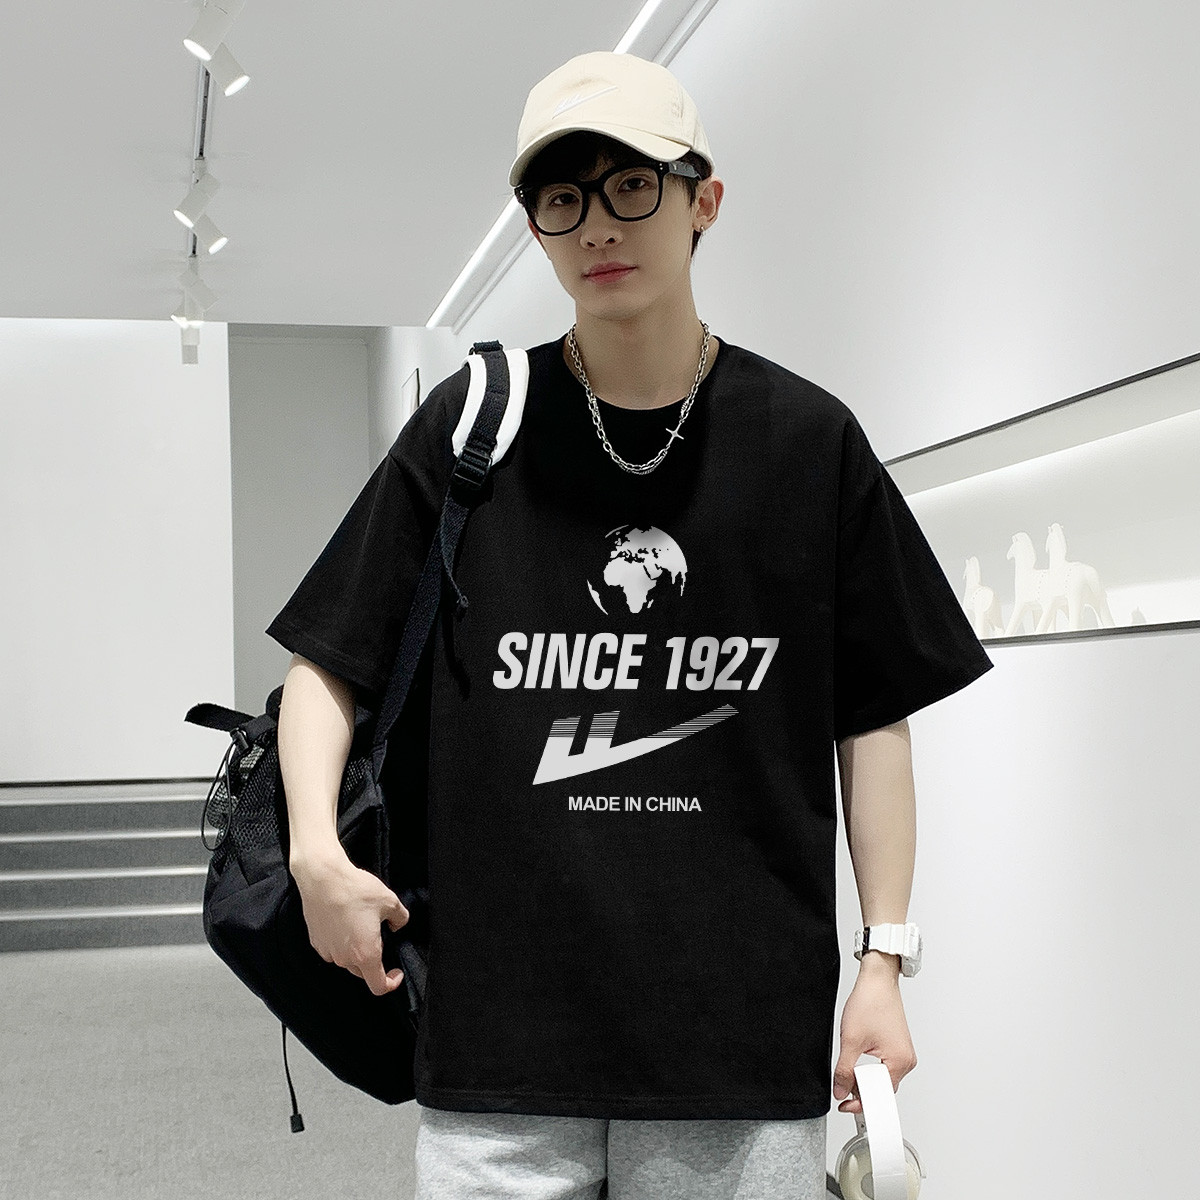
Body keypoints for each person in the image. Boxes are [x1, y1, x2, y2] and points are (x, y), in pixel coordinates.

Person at [265, 50, 993, 1199]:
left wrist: (885, 960)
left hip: (734, 1038)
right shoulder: (473, 430)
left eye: (632, 185)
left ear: (705, 200)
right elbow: (330, 662)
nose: (598, 224)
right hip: (503, 1036)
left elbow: (873, 717)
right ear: (535, 229)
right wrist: (316, 852)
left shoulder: (807, 443)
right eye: (563, 198)